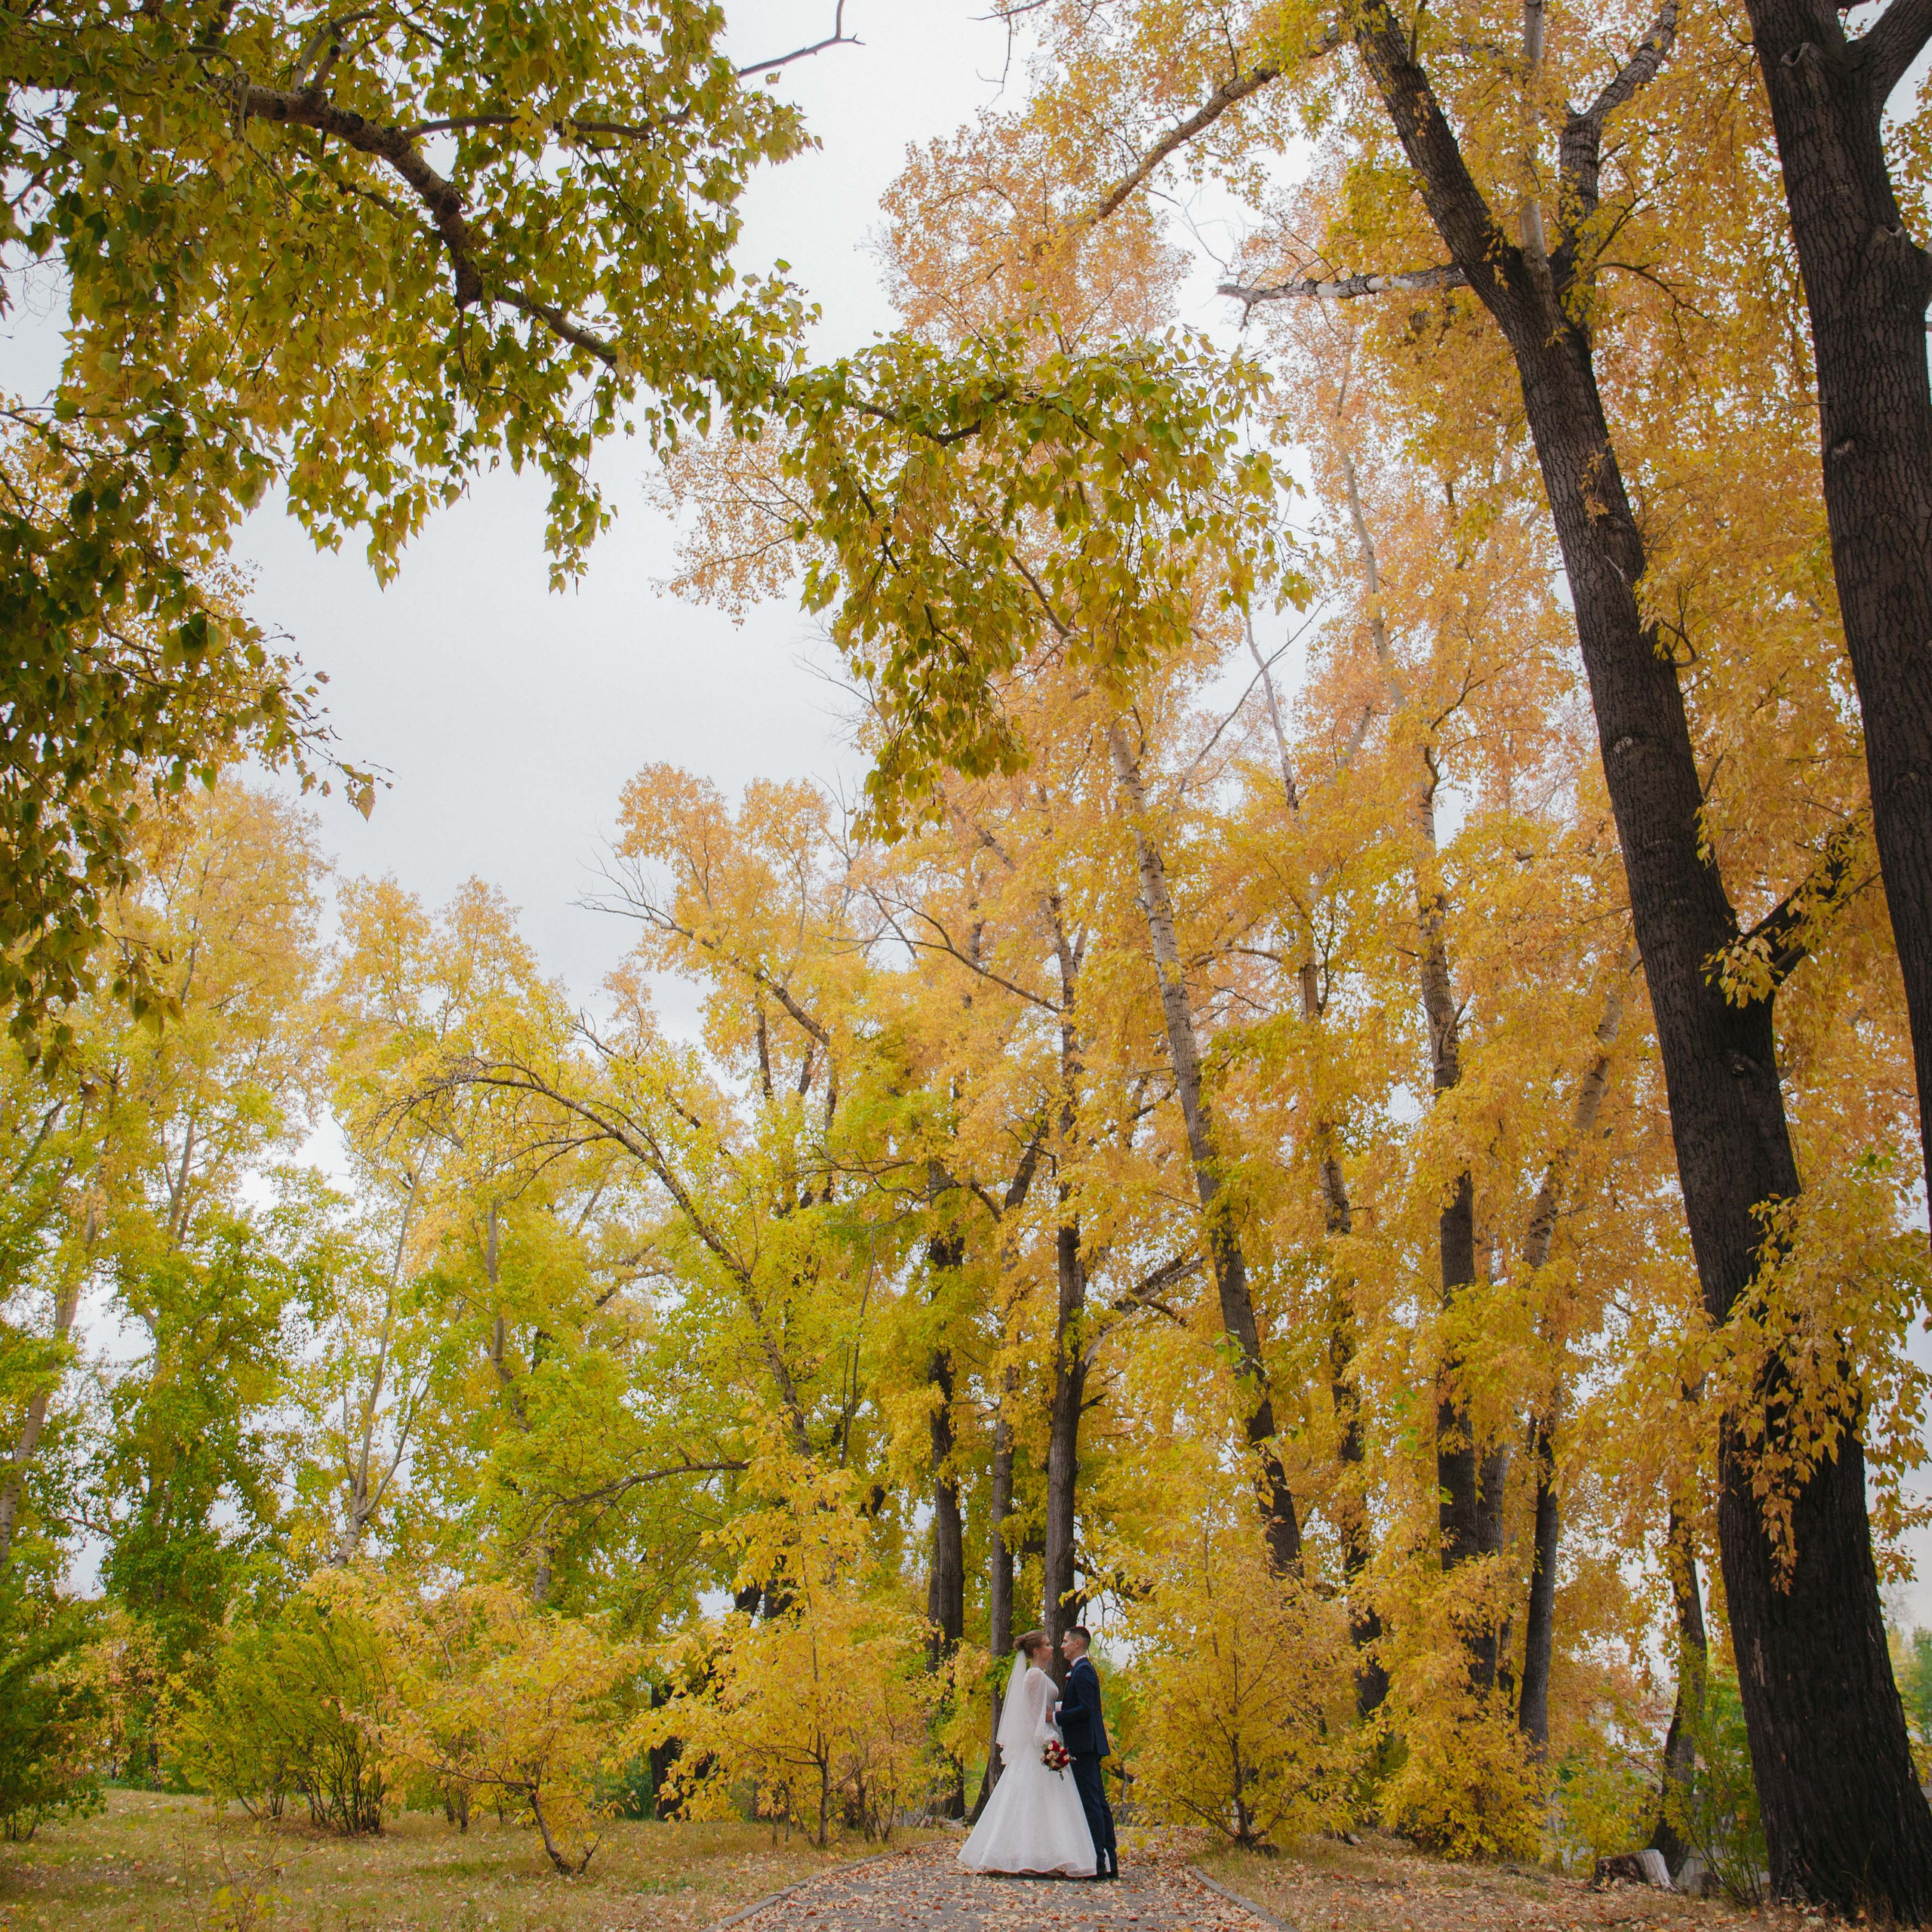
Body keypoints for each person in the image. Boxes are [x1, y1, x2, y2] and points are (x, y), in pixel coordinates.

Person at [957, 1631, 1098, 1878]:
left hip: (1044, 1744)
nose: (1052, 1648)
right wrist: (1050, 1744)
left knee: (1042, 1805)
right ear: (1036, 1651)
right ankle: (1027, 1858)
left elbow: (1045, 1710)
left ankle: (1041, 1856)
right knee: (1034, 1803)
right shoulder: (1034, 1676)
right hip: (1038, 1748)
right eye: (1047, 1644)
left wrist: (1056, 1722)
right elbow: (1034, 1718)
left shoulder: (1040, 1675)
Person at [1057, 1625, 1118, 1879]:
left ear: (1078, 1643)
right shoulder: (1081, 1670)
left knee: (1092, 1803)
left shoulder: (1082, 1671)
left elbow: (1085, 1709)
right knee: (1097, 1803)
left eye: (1065, 1641)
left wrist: (1056, 1717)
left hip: (1084, 1745)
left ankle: (1099, 1862)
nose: (1062, 1646)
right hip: (1087, 1744)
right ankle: (1107, 1862)